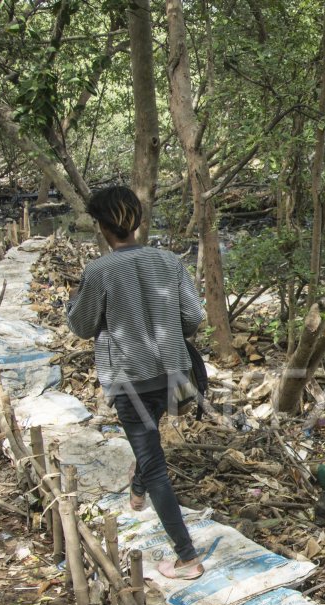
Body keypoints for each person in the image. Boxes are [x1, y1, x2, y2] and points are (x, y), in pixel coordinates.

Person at [66, 185, 206, 580]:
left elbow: (81, 325)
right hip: (175, 372)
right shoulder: (169, 262)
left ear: (101, 227)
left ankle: (187, 557)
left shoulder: (99, 271)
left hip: (130, 379)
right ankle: (138, 490)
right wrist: (165, 330)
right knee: (150, 443)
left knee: (153, 461)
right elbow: (193, 317)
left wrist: (71, 303)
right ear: (137, 222)